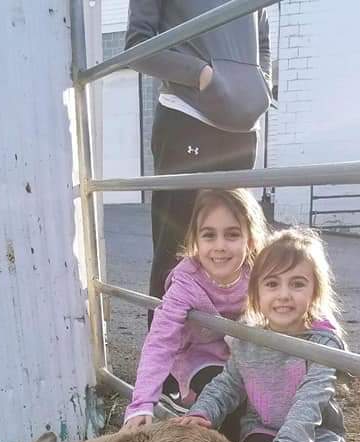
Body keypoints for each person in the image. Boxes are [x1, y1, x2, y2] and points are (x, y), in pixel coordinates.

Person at [125, 0, 272, 406]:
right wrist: (202, 75)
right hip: (188, 114)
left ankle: (227, 366)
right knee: (177, 252)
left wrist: (259, 83)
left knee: (234, 246)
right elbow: (139, 44)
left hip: (242, 126)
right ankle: (169, 377)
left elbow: (260, 38)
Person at [179, 228, 349, 442]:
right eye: (272, 284)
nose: (283, 295)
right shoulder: (249, 339)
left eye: (297, 284)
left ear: (314, 290)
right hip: (265, 426)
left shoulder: (322, 344)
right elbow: (228, 383)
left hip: (315, 431)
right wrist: (203, 411)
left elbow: (310, 403)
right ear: (256, 290)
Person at [122, 188, 268, 442]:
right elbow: (160, 340)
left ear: (251, 239)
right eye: (209, 235)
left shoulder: (257, 276)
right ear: (196, 241)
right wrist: (142, 402)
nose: (220, 246)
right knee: (223, 397)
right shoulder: (186, 282)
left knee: (263, 399)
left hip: (245, 357)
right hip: (200, 360)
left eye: (232, 235)